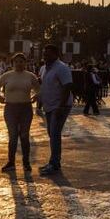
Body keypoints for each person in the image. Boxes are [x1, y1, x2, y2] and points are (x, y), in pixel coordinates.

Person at [0, 53, 40, 173]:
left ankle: (26, 162)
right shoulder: (7, 76)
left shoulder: (30, 76)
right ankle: (11, 162)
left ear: (25, 63)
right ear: (13, 63)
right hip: (10, 108)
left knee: (24, 135)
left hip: (26, 108)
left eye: (22, 62)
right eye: (17, 62)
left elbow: (38, 88)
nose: (19, 64)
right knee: (13, 136)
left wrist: (36, 96)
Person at [38, 45, 74, 176]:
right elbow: (43, 85)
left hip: (59, 106)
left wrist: (61, 106)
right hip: (49, 105)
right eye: (44, 53)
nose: (44, 56)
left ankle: (54, 163)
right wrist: (39, 103)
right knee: (51, 133)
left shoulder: (62, 68)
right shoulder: (43, 68)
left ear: (55, 54)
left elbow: (67, 86)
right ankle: (54, 161)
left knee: (54, 133)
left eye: (47, 54)